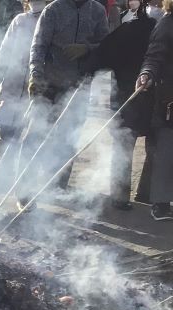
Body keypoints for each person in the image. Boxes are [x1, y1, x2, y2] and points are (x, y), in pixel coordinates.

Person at [19, 0, 108, 207]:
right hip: (49, 84)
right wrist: (35, 76)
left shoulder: (97, 11)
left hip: (79, 86)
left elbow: (107, 45)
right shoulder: (53, 10)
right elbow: (38, 46)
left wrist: (86, 48)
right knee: (35, 135)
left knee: (69, 137)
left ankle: (57, 186)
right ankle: (24, 189)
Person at [82, 0, 155, 208]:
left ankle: (123, 195)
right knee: (144, 145)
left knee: (127, 145)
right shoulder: (149, 26)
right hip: (138, 95)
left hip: (131, 94)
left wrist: (87, 72)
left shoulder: (132, 27)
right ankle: (141, 194)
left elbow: (101, 57)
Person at [0, 0, 44, 190]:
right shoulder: (19, 21)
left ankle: (23, 186)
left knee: (28, 142)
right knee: (4, 137)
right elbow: (4, 51)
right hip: (11, 85)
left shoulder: (49, 18)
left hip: (35, 90)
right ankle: (0, 179)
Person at [137, 0, 173, 220]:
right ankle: (160, 203)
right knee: (165, 151)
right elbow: (154, 55)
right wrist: (147, 73)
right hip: (169, 96)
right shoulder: (168, 23)